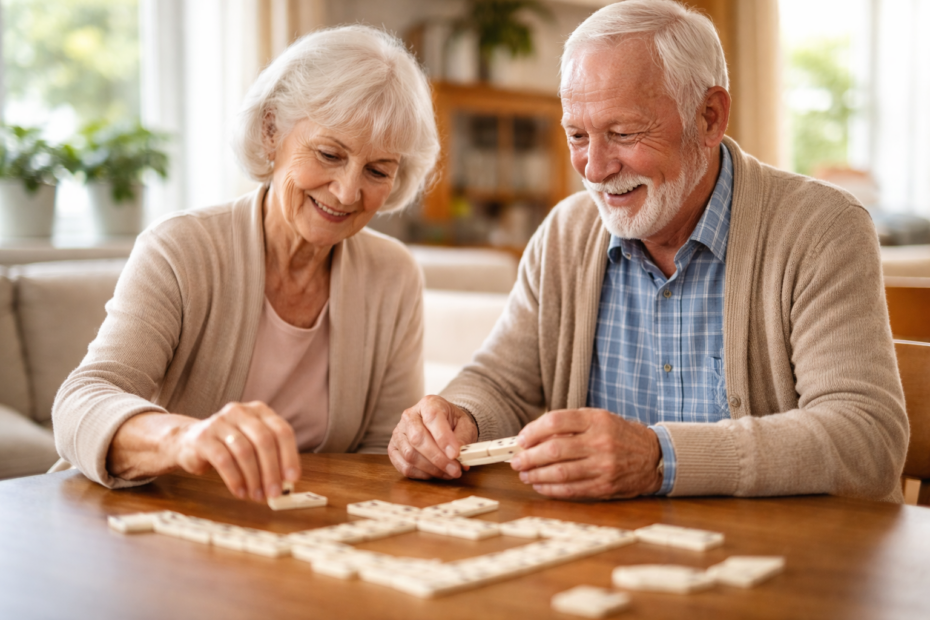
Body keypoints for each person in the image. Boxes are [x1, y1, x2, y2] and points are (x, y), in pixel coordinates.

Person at [388, 0, 908, 502]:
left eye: (622, 132)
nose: (593, 168)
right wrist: (456, 418)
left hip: (786, 566)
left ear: (708, 117)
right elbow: (501, 383)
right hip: (611, 558)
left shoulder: (822, 229)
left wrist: (661, 459)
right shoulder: (566, 233)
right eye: (577, 135)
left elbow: (866, 437)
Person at [53, 25, 439, 502]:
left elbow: (379, 458)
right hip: (154, 520)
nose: (347, 191)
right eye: (328, 154)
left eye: (377, 170)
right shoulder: (180, 248)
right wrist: (185, 439)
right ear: (272, 130)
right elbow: (82, 401)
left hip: (298, 537)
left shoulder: (393, 275)